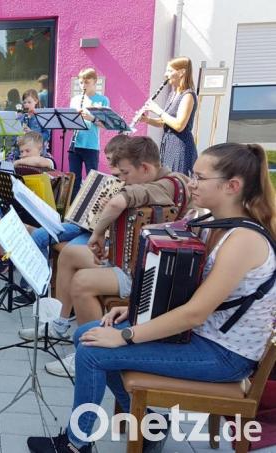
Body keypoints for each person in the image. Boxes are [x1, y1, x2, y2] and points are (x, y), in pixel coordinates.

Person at [27, 142, 276, 453]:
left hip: (225, 354)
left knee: (93, 352)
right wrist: (132, 310)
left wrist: (127, 336)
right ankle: (150, 427)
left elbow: (194, 314)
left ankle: (77, 445)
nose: (191, 183)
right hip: (200, 337)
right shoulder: (211, 222)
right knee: (85, 336)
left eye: (199, 177)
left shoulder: (244, 240)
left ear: (232, 186)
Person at [32, 137, 190, 379]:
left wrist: (96, 234)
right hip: (128, 262)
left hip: (146, 276)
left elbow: (117, 202)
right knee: (70, 254)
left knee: (83, 282)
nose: (122, 179)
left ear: (145, 168)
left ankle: (92, 350)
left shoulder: (165, 186)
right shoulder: (160, 180)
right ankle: (61, 326)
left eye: (125, 173)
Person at [0, 131, 55, 263]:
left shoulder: (48, 160)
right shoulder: (19, 165)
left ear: (40, 148)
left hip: (39, 212)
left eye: (28, 150)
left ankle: (34, 261)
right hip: (17, 206)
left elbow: (38, 161)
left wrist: (17, 162)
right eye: (21, 151)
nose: (24, 154)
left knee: (23, 227)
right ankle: (8, 258)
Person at [139, 56, 199, 175]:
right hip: (168, 143)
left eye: (170, 71)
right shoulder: (173, 94)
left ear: (181, 72)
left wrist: (157, 110)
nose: (166, 74)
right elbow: (164, 122)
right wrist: (147, 120)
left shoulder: (188, 95)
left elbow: (179, 125)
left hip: (180, 146)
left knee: (177, 180)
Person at [70, 68, 110, 197]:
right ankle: (71, 209)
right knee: (74, 180)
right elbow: (70, 122)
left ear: (95, 82)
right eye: (81, 82)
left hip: (91, 145)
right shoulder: (75, 99)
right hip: (75, 145)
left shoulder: (103, 100)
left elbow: (105, 124)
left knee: (92, 180)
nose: (83, 85)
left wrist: (92, 118)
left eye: (87, 82)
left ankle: (88, 210)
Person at [10, 89, 51, 160]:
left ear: (36, 101)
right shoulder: (21, 118)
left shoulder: (42, 117)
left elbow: (46, 135)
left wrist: (32, 133)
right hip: (21, 154)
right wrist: (17, 139)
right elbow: (14, 136)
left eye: (29, 102)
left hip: (37, 154)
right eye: (24, 102)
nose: (26, 104)